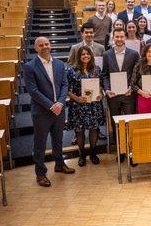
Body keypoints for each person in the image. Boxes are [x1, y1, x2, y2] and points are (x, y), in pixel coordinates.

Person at [24, 37, 74, 187]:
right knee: (40, 143)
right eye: (41, 45)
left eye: (47, 44)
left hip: (59, 109)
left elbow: (64, 84)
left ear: (50, 45)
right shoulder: (30, 66)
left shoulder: (59, 64)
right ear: (36, 48)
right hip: (41, 111)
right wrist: (51, 105)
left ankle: (59, 163)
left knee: (58, 139)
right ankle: (40, 173)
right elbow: (33, 91)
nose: (45, 47)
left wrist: (60, 102)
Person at [102, 28, 140, 154]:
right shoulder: (106, 54)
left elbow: (137, 75)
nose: (119, 39)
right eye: (116, 37)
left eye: (121, 37)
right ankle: (120, 150)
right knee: (115, 124)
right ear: (113, 38)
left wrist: (131, 87)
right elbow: (105, 75)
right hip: (113, 95)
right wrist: (107, 89)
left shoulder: (134, 54)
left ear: (125, 38)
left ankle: (131, 150)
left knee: (130, 123)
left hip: (129, 95)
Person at [66, 46, 105, 167]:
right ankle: (82, 153)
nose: (85, 56)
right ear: (79, 56)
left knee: (94, 129)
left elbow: (101, 85)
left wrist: (99, 93)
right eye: (83, 54)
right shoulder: (71, 71)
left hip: (94, 105)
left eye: (87, 54)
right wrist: (77, 98)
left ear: (91, 56)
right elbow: (67, 90)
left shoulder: (96, 69)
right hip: (78, 105)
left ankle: (93, 152)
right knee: (79, 130)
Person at [130, 43, 151, 114]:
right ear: (145, 52)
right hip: (144, 97)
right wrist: (142, 93)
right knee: (145, 121)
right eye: (148, 51)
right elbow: (132, 84)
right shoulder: (138, 66)